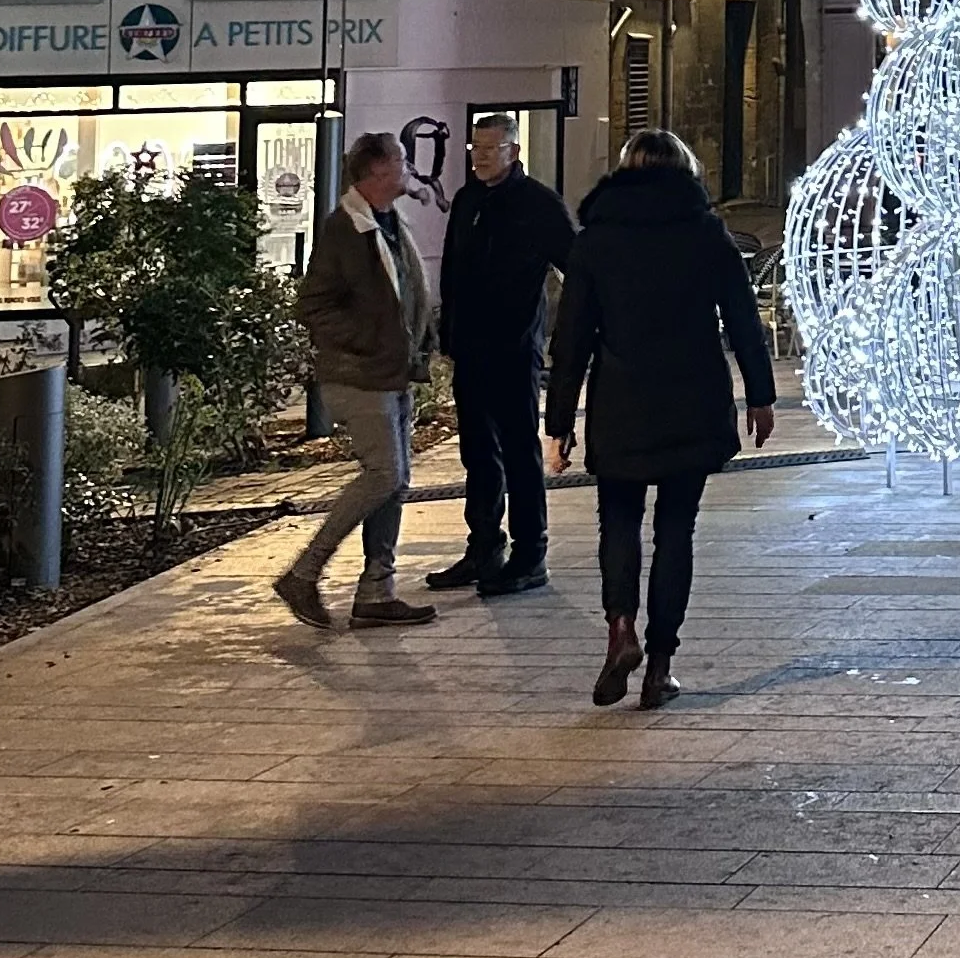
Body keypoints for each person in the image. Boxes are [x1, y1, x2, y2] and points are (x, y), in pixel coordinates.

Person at [543, 126, 776, 711]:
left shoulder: (597, 239)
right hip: (691, 399)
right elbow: (744, 319)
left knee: (617, 521)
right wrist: (761, 394)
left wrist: (558, 421)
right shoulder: (705, 234)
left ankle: (621, 629)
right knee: (677, 529)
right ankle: (661, 664)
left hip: (621, 402)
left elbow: (570, 336)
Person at [276, 130, 438, 630]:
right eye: (401, 162)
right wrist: (368, 338)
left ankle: (376, 590)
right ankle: (304, 572)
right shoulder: (346, 230)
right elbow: (314, 305)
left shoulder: (387, 221)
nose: (409, 170)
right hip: (360, 374)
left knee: (396, 482)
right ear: (376, 173)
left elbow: (404, 290)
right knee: (383, 475)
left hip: (392, 372)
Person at [431, 114, 575, 598]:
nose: (479, 157)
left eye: (490, 149)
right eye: (475, 149)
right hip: (471, 347)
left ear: (514, 151)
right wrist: (447, 333)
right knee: (477, 451)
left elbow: (575, 264)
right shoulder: (468, 199)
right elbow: (452, 270)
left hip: (514, 348)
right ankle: (484, 546)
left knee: (518, 451)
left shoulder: (537, 204)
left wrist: (566, 334)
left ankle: (530, 552)